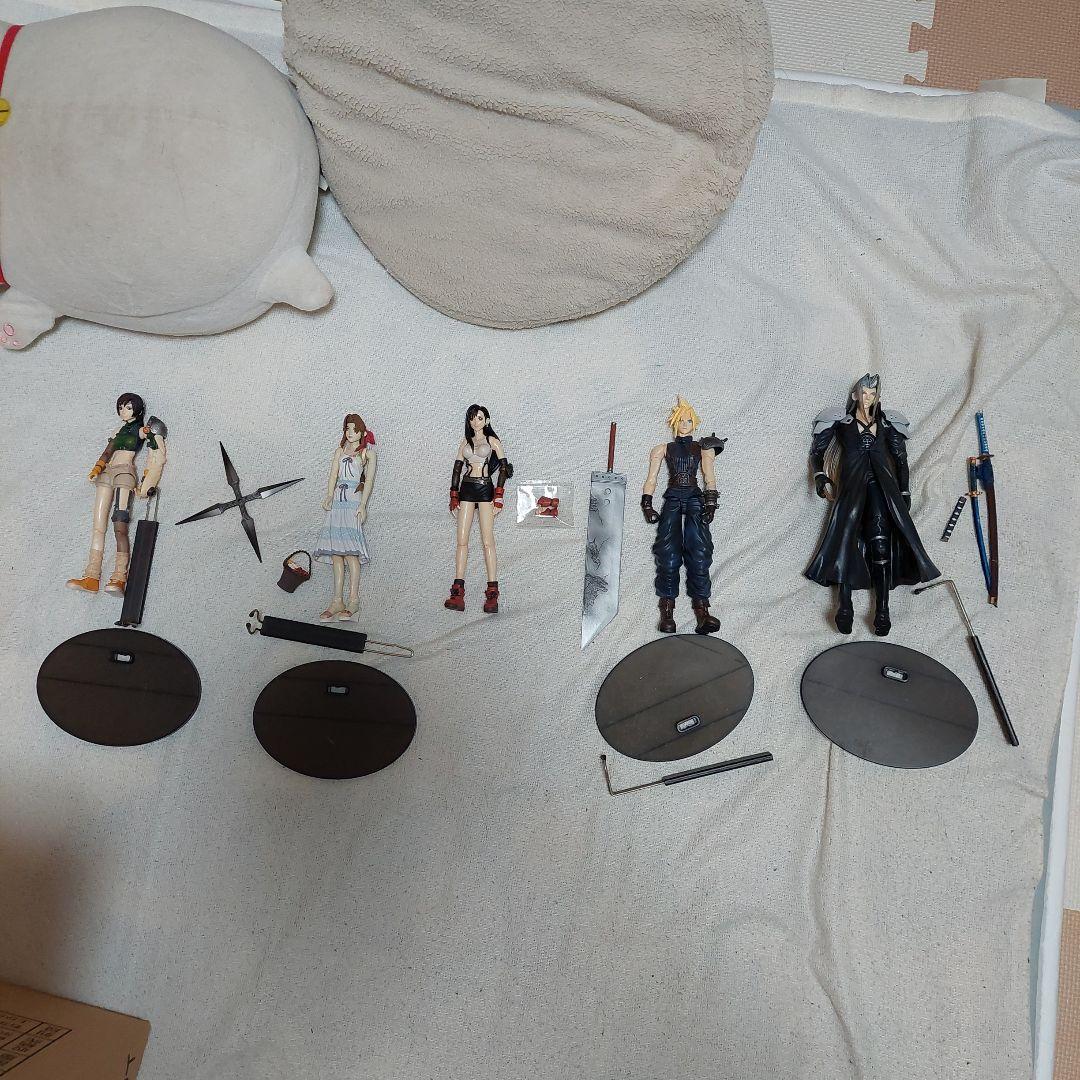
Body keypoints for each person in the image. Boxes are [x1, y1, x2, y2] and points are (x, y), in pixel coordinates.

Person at [806, 373, 939, 635]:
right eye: (864, 393)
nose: (868, 398)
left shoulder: (888, 422)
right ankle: (845, 606)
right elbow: (817, 452)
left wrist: (904, 490)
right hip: (852, 484)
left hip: (881, 485)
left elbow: (900, 459)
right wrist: (820, 475)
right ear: (855, 395)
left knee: (880, 543)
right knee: (846, 538)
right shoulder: (840, 421)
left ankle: (883, 610)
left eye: (872, 394)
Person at [67, 393, 166, 595]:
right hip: (107, 473)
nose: (123, 411)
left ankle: (119, 577)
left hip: (124, 473)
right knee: (98, 525)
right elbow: (107, 451)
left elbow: (155, 450)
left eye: (128, 407)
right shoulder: (118, 430)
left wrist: (148, 482)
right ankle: (91, 576)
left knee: (120, 526)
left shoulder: (141, 430)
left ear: (137, 409)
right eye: (121, 407)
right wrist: (97, 467)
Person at [641, 397, 726, 634]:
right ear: (674, 422)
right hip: (672, 498)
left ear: (694, 423)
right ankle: (667, 612)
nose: (685, 424)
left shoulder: (703, 448)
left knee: (699, 552)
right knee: (667, 552)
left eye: (689, 421)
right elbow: (651, 479)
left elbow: (709, 476)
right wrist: (647, 504)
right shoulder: (663, 449)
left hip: (694, 498)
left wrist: (710, 503)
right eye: (681, 421)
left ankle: (702, 611)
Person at [444, 404, 512, 614]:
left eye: (479, 418)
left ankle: (492, 592)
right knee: (461, 540)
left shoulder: (492, 441)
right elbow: (457, 469)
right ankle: (458, 590)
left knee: (487, 540)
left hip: (484, 489)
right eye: (472, 418)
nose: (475, 422)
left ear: (486, 420)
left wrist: (499, 496)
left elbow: (504, 468)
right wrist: (453, 494)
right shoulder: (465, 441)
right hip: (466, 488)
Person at [313, 413, 376, 620]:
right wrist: (329, 495)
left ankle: (353, 600)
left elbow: (368, 481)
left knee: (350, 553)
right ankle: (337, 600)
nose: (350, 433)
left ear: (362, 432)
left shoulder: (367, 454)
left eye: (354, 429)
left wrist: (363, 505)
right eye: (347, 429)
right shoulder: (339, 451)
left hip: (353, 503)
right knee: (336, 554)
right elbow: (333, 475)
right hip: (337, 504)